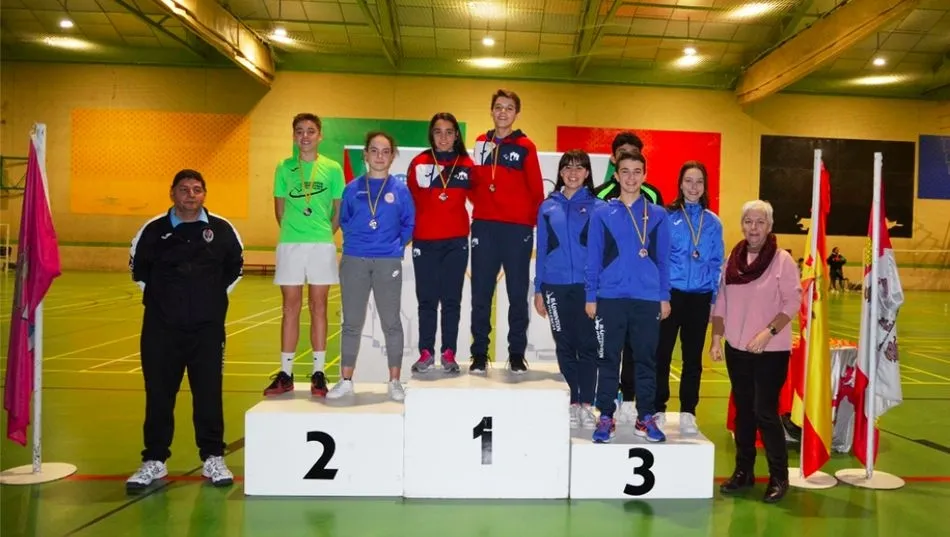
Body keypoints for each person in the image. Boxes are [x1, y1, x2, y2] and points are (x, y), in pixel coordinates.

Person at [127, 169, 243, 491]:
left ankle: (212, 457)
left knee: (208, 393)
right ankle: (154, 460)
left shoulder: (221, 230)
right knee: (159, 394)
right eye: (184, 189)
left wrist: (206, 301)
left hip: (207, 331)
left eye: (196, 189)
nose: (190, 195)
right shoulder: (153, 230)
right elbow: (139, 271)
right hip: (161, 330)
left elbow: (234, 270)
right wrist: (169, 302)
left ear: (204, 194)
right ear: (172, 193)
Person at [710, 200, 801, 504]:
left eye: (760, 222)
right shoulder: (732, 261)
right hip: (737, 349)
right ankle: (743, 472)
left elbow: (792, 304)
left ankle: (779, 477)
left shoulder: (782, 261)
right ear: (742, 224)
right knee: (744, 413)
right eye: (748, 221)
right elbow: (720, 301)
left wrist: (767, 333)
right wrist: (716, 338)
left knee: (765, 411)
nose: (754, 227)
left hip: (771, 350)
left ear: (770, 226)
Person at [585, 151, 671, 444]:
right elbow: (593, 257)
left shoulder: (658, 215)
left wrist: (664, 296)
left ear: (645, 175)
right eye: (625, 171)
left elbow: (663, 261)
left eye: (637, 171)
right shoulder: (601, 213)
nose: (631, 177)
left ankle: (646, 416)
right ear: (616, 175)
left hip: (647, 299)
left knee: (646, 360)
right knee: (608, 358)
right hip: (610, 297)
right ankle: (606, 415)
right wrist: (591, 295)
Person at [328, 131, 415, 401]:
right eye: (374, 150)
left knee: (391, 322)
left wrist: (394, 246)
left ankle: (394, 381)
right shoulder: (352, 188)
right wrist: (357, 245)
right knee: (352, 323)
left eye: (385, 151)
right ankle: (345, 380)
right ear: (365, 155)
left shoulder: (400, 190)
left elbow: (409, 223)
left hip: (388, 261)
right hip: (354, 259)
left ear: (392, 156)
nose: (379, 156)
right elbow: (344, 219)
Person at [264, 113, 345, 398]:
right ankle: (286, 373)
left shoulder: (333, 168)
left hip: (322, 245)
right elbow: (280, 211)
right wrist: (296, 233)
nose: (306, 136)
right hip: (290, 244)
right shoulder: (284, 168)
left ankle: (318, 373)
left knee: (319, 306)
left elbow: (337, 212)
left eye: (311, 131)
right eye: (300, 131)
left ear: (320, 135)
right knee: (290, 307)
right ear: (294, 135)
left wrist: (323, 233)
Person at [469, 89, 544, 374]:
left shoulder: (526, 146)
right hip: (485, 226)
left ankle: (516, 354)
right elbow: (475, 184)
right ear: (491, 111)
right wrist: (487, 208)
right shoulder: (479, 143)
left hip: (517, 230)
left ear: (516, 113)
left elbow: (536, 190)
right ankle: (479, 354)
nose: (503, 112)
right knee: (481, 294)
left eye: (509, 108)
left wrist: (521, 219)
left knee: (516, 293)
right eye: (498, 107)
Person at [535, 150, 604, 429]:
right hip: (555, 286)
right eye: (567, 168)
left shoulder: (599, 207)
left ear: (587, 173)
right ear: (560, 172)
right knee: (564, 345)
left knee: (588, 345)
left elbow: (602, 252)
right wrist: (538, 289)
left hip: (587, 287)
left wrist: (597, 288)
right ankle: (573, 401)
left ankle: (587, 404)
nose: (573, 173)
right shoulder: (547, 206)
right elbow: (541, 249)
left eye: (579, 168)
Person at [654, 161, 724, 435]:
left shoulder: (713, 222)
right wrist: (662, 296)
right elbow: (659, 260)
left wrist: (713, 301)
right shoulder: (666, 217)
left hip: (699, 297)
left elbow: (717, 263)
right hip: (670, 296)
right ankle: (658, 408)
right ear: (680, 184)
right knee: (662, 355)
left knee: (693, 359)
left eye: (699, 182)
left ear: (705, 186)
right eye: (688, 181)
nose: (693, 187)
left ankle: (688, 412)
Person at [406, 113, 475, 374]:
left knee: (451, 300)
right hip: (424, 241)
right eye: (438, 132)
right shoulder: (419, 163)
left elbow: (483, 199)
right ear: (431, 135)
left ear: (457, 134)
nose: (444, 137)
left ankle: (449, 353)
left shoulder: (467, 164)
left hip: (456, 242)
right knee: (426, 299)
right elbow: (408, 202)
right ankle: (425, 352)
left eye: (449, 132)